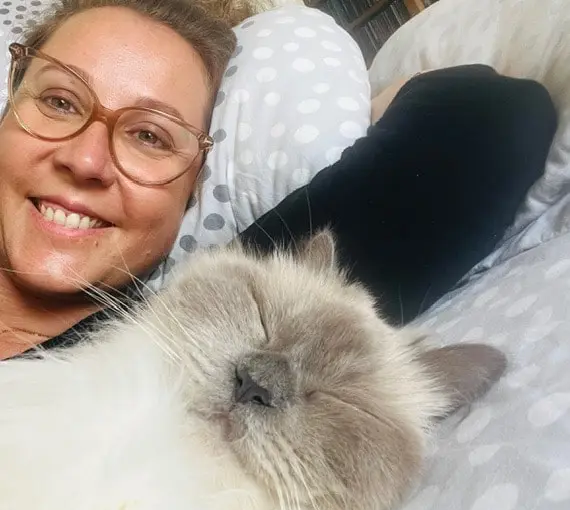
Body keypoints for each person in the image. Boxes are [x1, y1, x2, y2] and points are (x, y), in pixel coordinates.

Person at [0, 0, 557, 360]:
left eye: (150, 136)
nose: (86, 160)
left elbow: (491, 120)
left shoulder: (175, 353)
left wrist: (377, 106)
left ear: (192, 190)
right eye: (60, 101)